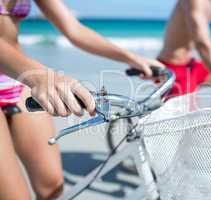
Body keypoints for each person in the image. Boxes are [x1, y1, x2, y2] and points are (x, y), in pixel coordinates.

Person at [0, 0, 164, 199]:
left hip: (18, 81)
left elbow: (74, 29)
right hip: (28, 74)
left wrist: (130, 57)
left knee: (52, 186)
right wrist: (41, 76)